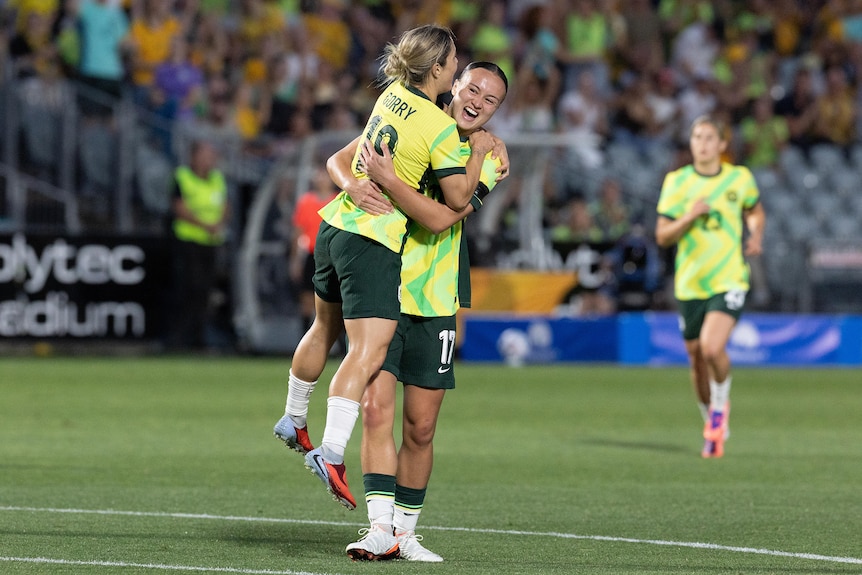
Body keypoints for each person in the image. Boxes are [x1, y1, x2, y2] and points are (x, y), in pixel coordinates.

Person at [271, 24, 495, 511]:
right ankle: (331, 452)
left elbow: (341, 159)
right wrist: (478, 153)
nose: (458, 69)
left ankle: (293, 417)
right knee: (368, 352)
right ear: (439, 71)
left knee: (323, 328)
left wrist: (353, 184)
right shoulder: (439, 128)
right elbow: (452, 204)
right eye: (455, 64)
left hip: (334, 225)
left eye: (490, 98)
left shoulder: (390, 95)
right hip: (372, 241)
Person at [327, 62, 509, 562]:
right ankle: (378, 529)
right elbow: (339, 160)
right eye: (472, 88)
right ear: (454, 85)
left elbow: (441, 219)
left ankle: (405, 534)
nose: (477, 102)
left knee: (421, 427)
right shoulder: (414, 122)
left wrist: (388, 180)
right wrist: (354, 185)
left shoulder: (487, 159)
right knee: (376, 411)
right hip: (383, 288)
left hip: (435, 298)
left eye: (490, 99)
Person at [655, 115, 766, 458]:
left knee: (712, 348)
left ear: (721, 144)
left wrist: (756, 234)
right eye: (696, 137)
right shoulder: (677, 182)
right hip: (691, 282)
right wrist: (688, 216)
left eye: (708, 138)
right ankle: (711, 421)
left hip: (729, 277)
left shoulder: (739, 178)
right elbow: (662, 236)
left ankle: (720, 408)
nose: (701, 144)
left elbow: (755, 210)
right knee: (696, 359)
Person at [168, 140, 230, 350]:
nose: (209, 160)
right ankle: (178, 339)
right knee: (188, 288)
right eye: (205, 155)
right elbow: (179, 207)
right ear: (193, 157)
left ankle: (199, 337)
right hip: (188, 240)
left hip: (211, 243)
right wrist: (205, 225)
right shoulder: (182, 177)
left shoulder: (217, 178)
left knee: (205, 291)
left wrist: (219, 224)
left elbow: (225, 205)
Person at [288, 166, 338, 333]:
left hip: (332, 256)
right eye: (319, 175)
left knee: (333, 299)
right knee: (307, 298)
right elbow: (298, 232)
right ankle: (304, 335)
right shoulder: (306, 201)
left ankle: (338, 340)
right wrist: (295, 260)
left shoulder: (338, 201)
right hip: (311, 255)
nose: (321, 178)